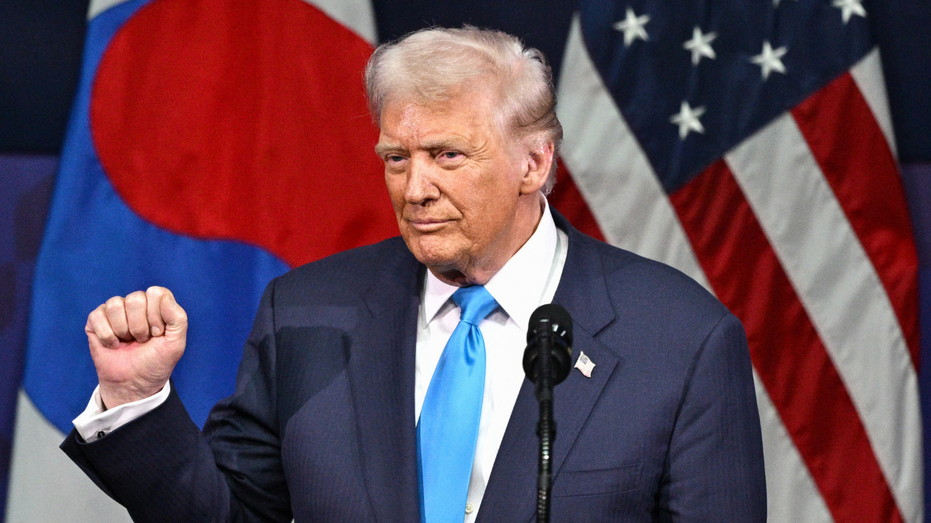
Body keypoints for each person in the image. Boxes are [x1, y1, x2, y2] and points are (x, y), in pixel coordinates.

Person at [63, 26, 766, 522]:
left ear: (535, 163)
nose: (414, 187)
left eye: (447, 155)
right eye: (396, 158)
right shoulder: (308, 311)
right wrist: (137, 396)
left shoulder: (678, 340)